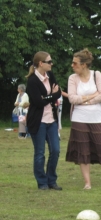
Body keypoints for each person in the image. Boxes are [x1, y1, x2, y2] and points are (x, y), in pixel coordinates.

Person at [66, 48, 101, 189]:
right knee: (83, 150)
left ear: (84, 64)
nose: (72, 66)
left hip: (96, 118)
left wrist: (86, 101)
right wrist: (91, 96)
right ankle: (87, 183)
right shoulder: (72, 78)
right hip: (79, 118)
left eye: (75, 63)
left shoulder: (96, 75)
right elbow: (72, 98)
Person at [25, 51, 62, 190]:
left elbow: (58, 92)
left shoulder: (50, 75)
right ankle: (42, 182)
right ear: (41, 63)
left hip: (51, 120)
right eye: (49, 61)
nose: (51, 64)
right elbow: (38, 103)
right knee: (40, 153)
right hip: (38, 122)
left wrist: (49, 96)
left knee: (56, 150)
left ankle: (51, 180)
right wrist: (51, 95)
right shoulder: (32, 81)